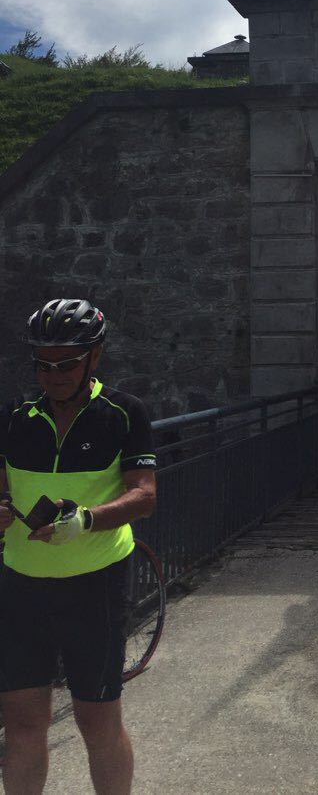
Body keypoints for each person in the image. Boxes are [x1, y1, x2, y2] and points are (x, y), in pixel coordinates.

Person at [0, 299, 157, 795]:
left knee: (96, 720)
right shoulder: (13, 417)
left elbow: (144, 495)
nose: (54, 376)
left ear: (95, 356)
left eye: (66, 364)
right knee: (22, 724)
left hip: (96, 585)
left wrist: (86, 520)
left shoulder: (124, 413)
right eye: (43, 365)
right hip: (22, 586)